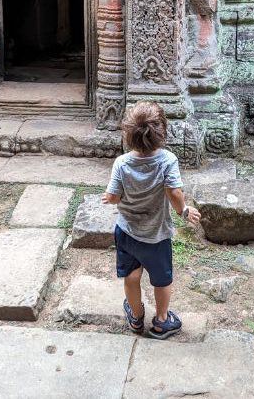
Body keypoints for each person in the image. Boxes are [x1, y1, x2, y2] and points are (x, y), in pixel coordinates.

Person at [102, 101, 201, 339]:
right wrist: (184, 211)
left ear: (128, 135)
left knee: (131, 276)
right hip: (156, 235)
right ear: (162, 132)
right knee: (161, 280)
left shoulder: (122, 163)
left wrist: (110, 198)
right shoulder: (167, 160)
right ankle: (162, 322)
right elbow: (174, 192)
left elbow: (114, 196)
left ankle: (136, 317)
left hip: (126, 232)